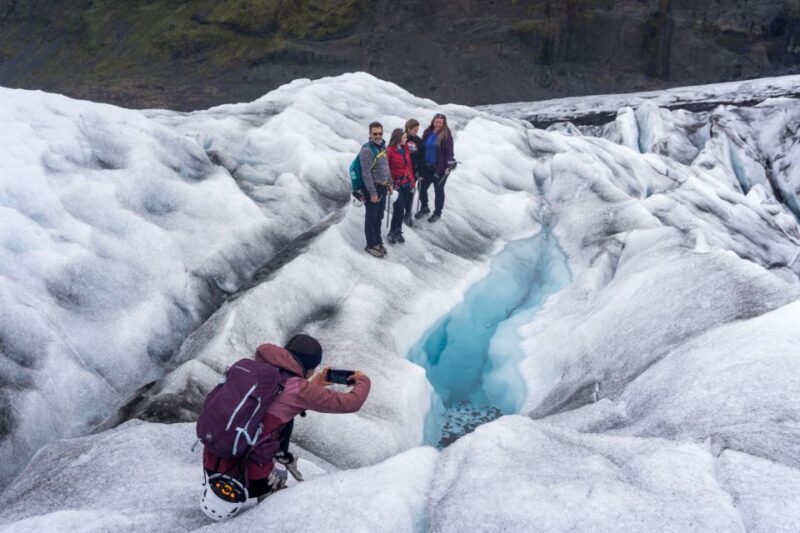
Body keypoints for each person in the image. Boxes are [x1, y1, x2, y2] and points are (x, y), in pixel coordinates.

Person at [202, 334, 371, 512]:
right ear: (309, 368)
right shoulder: (299, 390)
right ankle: (268, 509)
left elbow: (281, 397)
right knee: (281, 476)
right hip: (251, 478)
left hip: (213, 459)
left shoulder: (253, 370)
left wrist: (315, 383)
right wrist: (363, 380)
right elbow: (351, 403)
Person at [415, 113, 455, 223]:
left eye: (440, 123)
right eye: (436, 122)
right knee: (421, 187)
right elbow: (422, 148)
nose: (438, 124)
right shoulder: (427, 132)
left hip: (440, 169)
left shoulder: (447, 136)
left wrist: (450, 164)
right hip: (426, 167)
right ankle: (424, 207)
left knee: (439, 190)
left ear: (444, 124)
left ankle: (437, 213)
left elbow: (449, 153)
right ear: (433, 121)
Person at [360, 122, 392, 258]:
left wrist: (390, 183)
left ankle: (378, 240)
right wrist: (372, 193)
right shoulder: (367, 150)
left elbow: (386, 166)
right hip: (373, 188)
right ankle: (370, 244)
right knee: (371, 217)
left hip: (383, 187)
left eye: (380, 133)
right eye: (375, 134)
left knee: (379, 216)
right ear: (370, 134)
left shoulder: (382, 146)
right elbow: (365, 173)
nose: (378, 136)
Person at [386, 128, 416, 244]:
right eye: (404, 137)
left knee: (403, 209)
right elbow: (385, 168)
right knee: (398, 209)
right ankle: (392, 232)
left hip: (407, 184)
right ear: (398, 138)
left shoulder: (406, 148)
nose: (406, 139)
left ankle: (398, 231)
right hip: (396, 185)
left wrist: (412, 182)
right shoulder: (389, 151)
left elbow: (409, 167)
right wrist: (389, 184)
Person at [404, 119, 424, 227]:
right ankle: (399, 212)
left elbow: (421, 156)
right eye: (414, 130)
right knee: (403, 193)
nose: (416, 131)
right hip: (402, 172)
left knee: (411, 192)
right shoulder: (402, 139)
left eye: (417, 129)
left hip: (414, 172)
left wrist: (420, 171)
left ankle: (407, 213)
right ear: (408, 128)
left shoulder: (418, 140)